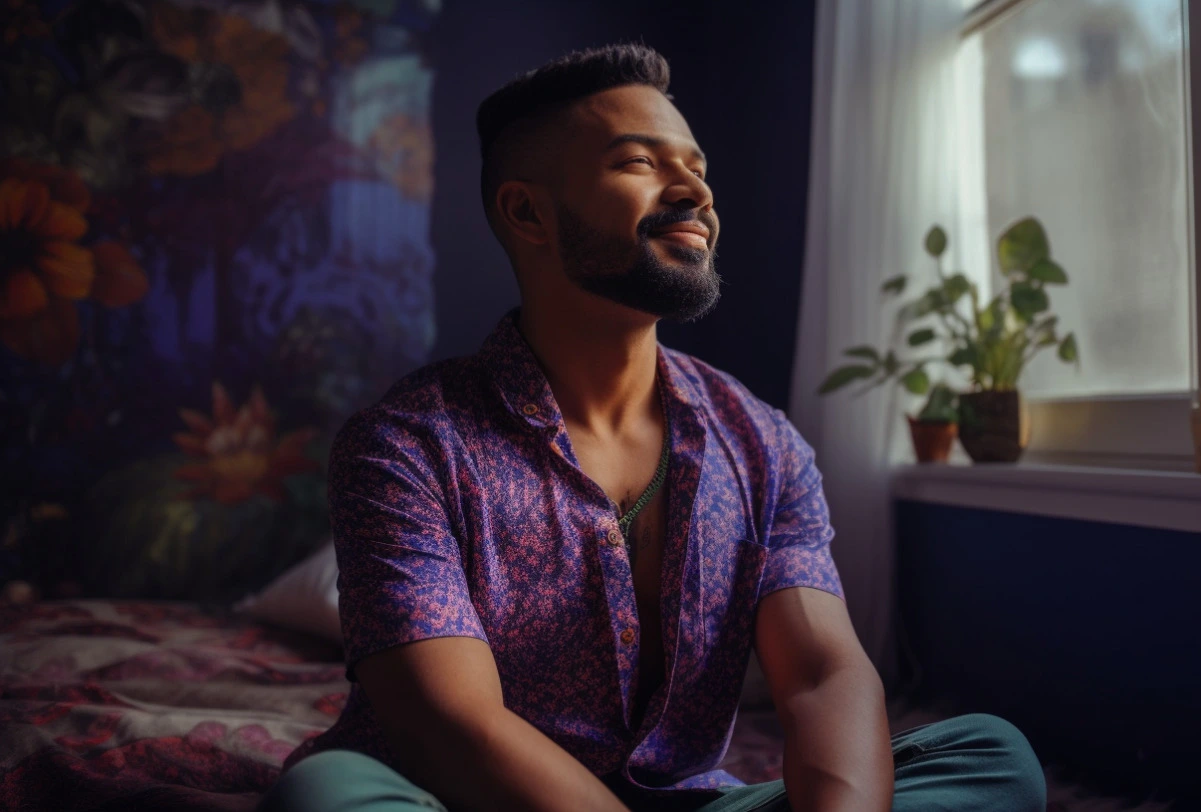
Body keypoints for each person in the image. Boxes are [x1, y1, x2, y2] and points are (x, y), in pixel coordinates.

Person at [260, 43, 1045, 812]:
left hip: (688, 800)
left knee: (988, 755)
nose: (694, 193)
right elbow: (451, 724)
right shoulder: (407, 446)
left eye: (697, 169)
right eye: (640, 163)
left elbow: (820, 676)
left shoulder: (762, 443)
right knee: (326, 794)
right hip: (466, 799)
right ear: (528, 211)